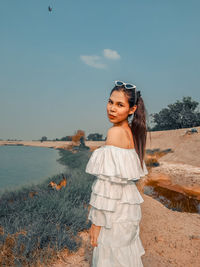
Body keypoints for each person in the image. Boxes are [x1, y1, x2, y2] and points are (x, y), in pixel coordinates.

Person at [85, 80, 148, 267]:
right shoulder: (131, 132)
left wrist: (96, 223)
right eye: (110, 102)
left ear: (132, 109)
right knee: (123, 257)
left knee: (110, 257)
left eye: (120, 104)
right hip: (127, 210)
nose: (112, 108)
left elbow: (107, 185)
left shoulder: (115, 133)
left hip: (114, 214)